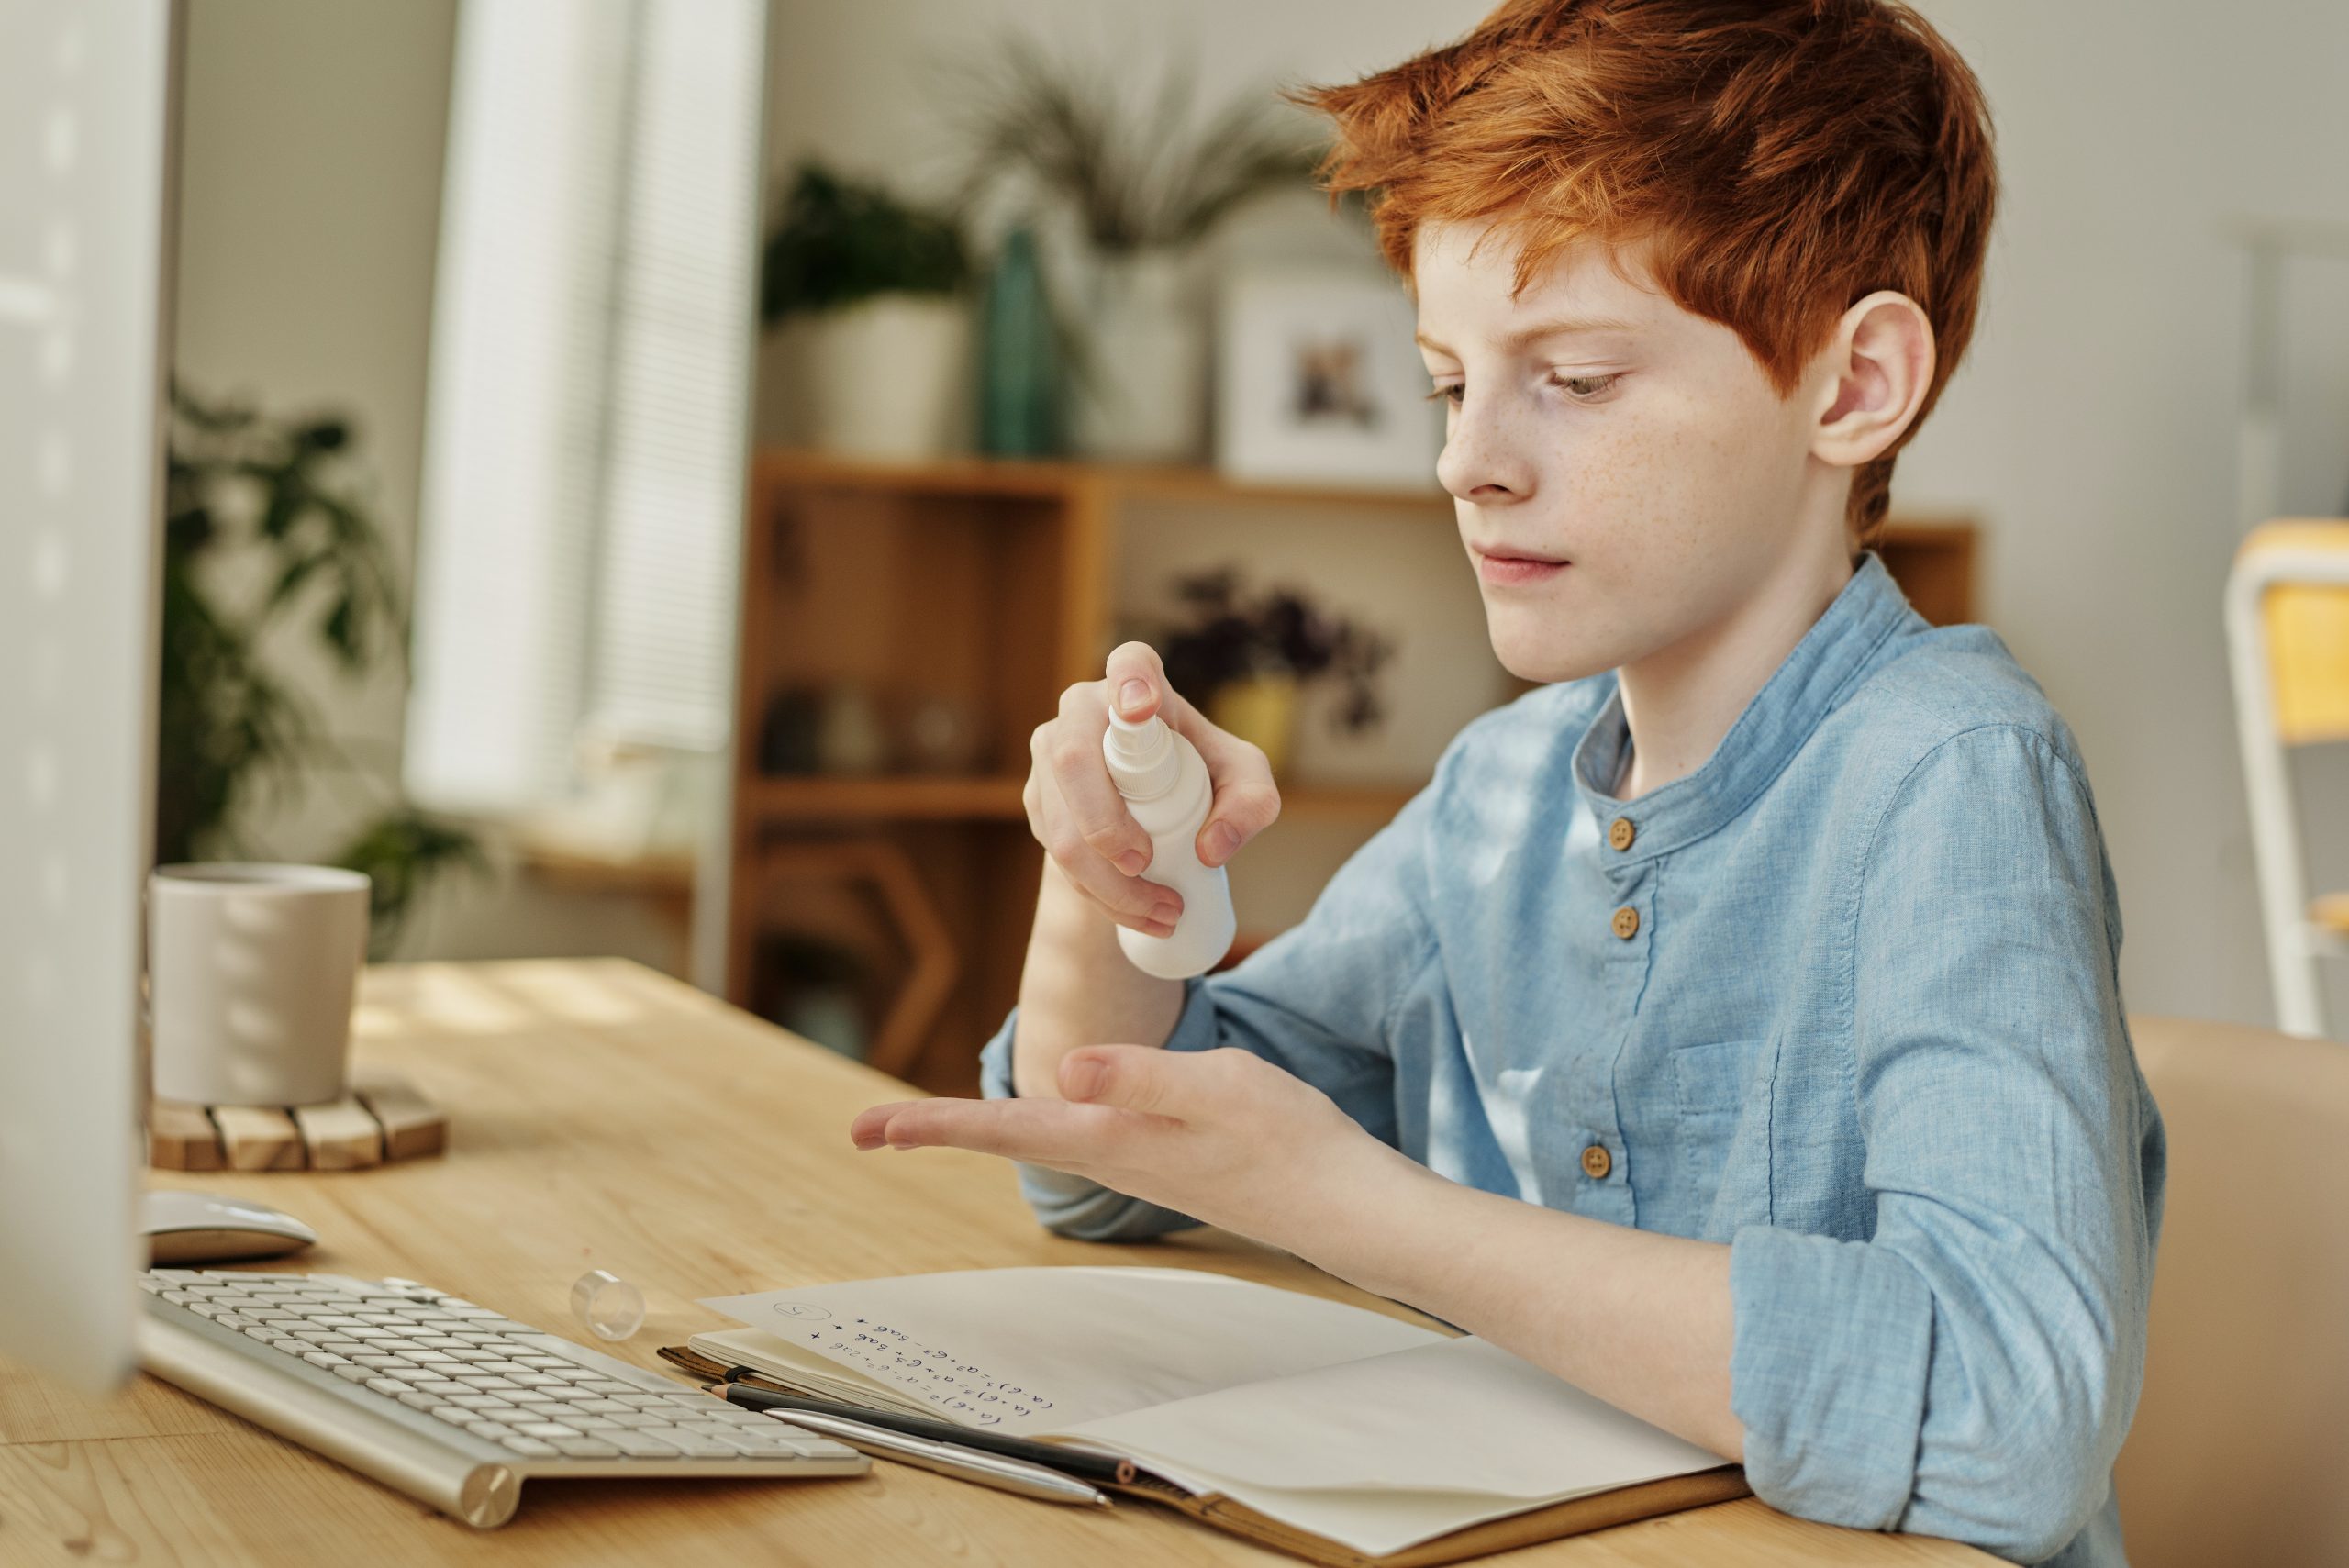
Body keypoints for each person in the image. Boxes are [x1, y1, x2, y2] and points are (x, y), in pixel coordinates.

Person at [850, 4, 2165, 1562]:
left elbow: (2015, 1414)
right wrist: (1109, 886)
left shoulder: (1950, 775)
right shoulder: (1503, 789)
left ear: (1854, 382)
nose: (1468, 460)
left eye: (1581, 378)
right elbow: (1117, 1170)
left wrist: (1365, 1209)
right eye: (1448, 383)